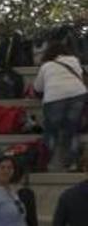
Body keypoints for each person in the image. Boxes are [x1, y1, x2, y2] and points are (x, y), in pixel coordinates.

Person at [33, 39, 88, 171]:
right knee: (72, 130)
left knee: (51, 131)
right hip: (77, 95)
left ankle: (45, 163)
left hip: (54, 98)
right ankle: (72, 163)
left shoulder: (46, 66)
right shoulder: (74, 60)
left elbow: (38, 88)